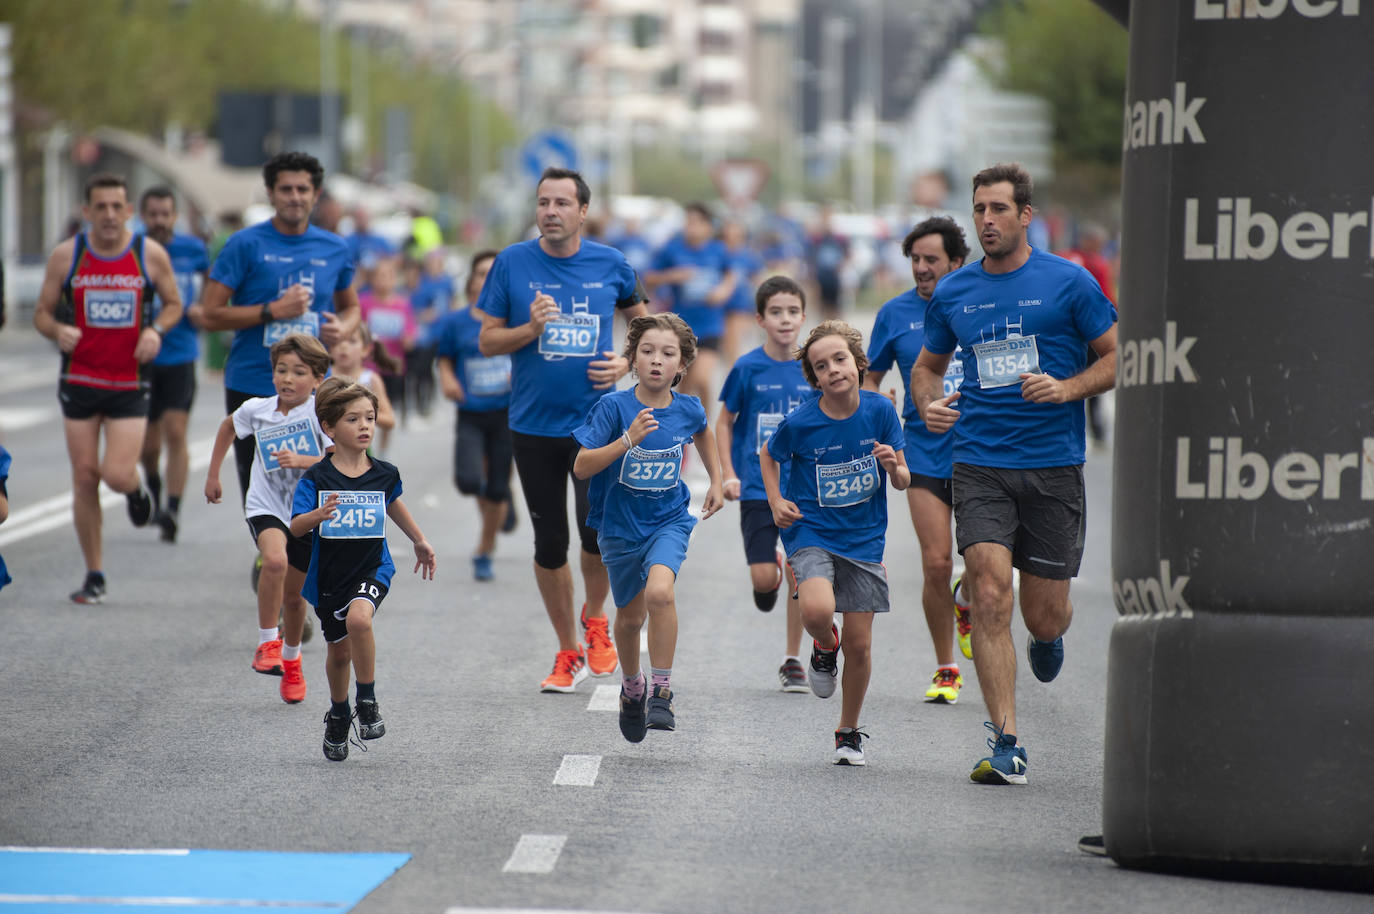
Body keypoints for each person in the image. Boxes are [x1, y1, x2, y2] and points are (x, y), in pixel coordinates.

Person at [914, 163, 1118, 785]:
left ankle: (1048, 637)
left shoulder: (1069, 282)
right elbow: (927, 367)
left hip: (1053, 466)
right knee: (988, 589)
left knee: (1044, 613)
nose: (986, 221)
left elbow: (1120, 355)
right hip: (979, 463)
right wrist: (928, 404)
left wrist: (1067, 388)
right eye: (978, 209)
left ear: (1026, 216)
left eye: (999, 209)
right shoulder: (955, 292)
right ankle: (1006, 740)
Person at [477, 167, 648, 692]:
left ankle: (595, 618)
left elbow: (647, 329)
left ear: (582, 212)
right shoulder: (511, 263)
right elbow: (486, 341)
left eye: (561, 203)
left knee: (595, 535)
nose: (550, 211)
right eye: (542, 202)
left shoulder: (611, 263)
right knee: (549, 542)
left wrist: (625, 364)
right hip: (532, 426)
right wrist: (531, 329)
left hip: (595, 424)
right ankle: (567, 650)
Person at [761, 320, 909, 766]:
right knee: (817, 611)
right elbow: (769, 455)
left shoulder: (881, 411)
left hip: (864, 540)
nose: (833, 370)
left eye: (840, 360)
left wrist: (891, 466)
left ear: (859, 364)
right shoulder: (802, 422)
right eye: (821, 366)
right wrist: (775, 501)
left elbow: (904, 480)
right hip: (811, 532)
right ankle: (825, 646)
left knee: (861, 645)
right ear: (814, 378)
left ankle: (847, 732)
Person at [33, 172, 184, 604]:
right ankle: (94, 573)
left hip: (128, 381)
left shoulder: (148, 254)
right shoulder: (68, 256)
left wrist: (155, 330)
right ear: (87, 212)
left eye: (118, 207)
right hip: (79, 378)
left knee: (115, 474)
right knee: (84, 477)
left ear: (129, 211)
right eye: (101, 207)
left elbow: (174, 304)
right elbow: (42, 313)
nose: (110, 215)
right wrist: (57, 330)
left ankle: (136, 491)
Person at [572, 313, 724, 742]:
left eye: (668, 354)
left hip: (669, 521)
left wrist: (715, 478)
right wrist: (626, 441)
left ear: (682, 366)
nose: (657, 360)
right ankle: (632, 687)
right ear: (633, 359)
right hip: (619, 527)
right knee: (629, 617)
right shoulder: (613, 408)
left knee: (661, 592)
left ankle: (660, 690)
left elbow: (703, 432)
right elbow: (582, 467)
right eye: (648, 351)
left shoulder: (688, 408)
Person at [200, 150, 359, 506]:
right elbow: (210, 314)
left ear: (316, 195)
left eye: (303, 189)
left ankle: (296, 559)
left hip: (315, 387)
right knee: (260, 482)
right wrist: (273, 311)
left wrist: (343, 328)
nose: (295, 197)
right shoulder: (244, 244)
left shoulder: (334, 247)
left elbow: (351, 308)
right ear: (271, 194)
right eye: (285, 189)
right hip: (253, 380)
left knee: (320, 476)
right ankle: (269, 553)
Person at [291, 378, 436, 761]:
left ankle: (367, 700)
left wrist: (419, 540)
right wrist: (316, 516)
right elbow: (295, 526)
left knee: (360, 620)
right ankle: (339, 713)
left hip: (373, 566)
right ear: (329, 427)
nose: (365, 426)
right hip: (329, 576)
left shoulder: (384, 473)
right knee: (338, 654)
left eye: (369, 418)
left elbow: (394, 505)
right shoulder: (317, 478)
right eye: (353, 419)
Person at [863, 216, 972, 704]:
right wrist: (876, 402)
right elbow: (869, 378)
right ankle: (945, 666)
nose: (922, 268)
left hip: (982, 451)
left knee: (985, 565)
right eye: (915, 260)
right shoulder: (894, 313)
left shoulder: (980, 302)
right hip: (923, 450)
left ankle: (966, 600)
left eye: (932, 260)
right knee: (935, 562)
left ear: (956, 262)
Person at [204, 334, 332, 704]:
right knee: (274, 560)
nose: (288, 379)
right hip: (266, 504)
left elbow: (342, 457)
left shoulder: (321, 415)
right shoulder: (257, 409)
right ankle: (267, 645)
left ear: (318, 379)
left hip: (306, 512)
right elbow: (228, 427)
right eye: (281, 370)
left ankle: (292, 663)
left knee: (294, 599)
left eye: (299, 372)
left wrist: (304, 461)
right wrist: (214, 475)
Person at [716, 275, 817, 692]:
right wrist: (728, 474)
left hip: (803, 490)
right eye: (776, 312)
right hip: (757, 488)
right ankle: (769, 570)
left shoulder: (814, 367)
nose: (785, 319)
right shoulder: (747, 368)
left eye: (793, 311)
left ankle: (792, 658)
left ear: (804, 317)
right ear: (760, 318)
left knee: (801, 574)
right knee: (763, 580)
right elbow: (723, 422)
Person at [136, 186, 210, 543]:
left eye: (166, 214)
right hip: (140, 356)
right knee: (147, 445)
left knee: (176, 432)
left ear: (175, 216)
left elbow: (212, 287)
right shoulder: (132, 249)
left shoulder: (193, 250)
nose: (160, 221)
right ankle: (152, 485)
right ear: (143, 216)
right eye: (153, 214)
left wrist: (203, 309)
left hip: (181, 354)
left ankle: (173, 510)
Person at [435, 249, 513, 582]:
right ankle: (497, 504)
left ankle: (484, 549)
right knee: (469, 480)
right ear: (471, 280)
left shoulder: (515, 317)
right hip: (471, 411)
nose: (488, 279)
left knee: (495, 487)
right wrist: (448, 379)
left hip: (507, 413)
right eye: (482, 273)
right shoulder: (456, 321)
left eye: (494, 273)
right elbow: (444, 358)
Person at [644, 203, 736, 422]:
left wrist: (722, 291)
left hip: (711, 325)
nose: (690, 227)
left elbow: (731, 275)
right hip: (680, 328)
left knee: (702, 378)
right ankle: (684, 433)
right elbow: (649, 278)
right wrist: (673, 276)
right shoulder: (672, 249)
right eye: (688, 221)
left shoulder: (718, 249)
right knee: (684, 385)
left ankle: (703, 425)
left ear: (708, 226)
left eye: (696, 222)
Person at [1056, 223, 1117, 449]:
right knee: (1093, 378)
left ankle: (1084, 430)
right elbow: (1106, 297)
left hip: (1068, 330)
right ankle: (1097, 432)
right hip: (1091, 329)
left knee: (1070, 376)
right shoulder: (1096, 264)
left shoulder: (1063, 258)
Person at [357, 256, 415, 451]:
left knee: (387, 410)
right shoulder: (364, 302)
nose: (384, 280)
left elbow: (410, 333)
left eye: (389, 275)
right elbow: (358, 330)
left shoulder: (402, 304)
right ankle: (366, 446)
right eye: (379, 276)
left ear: (395, 279)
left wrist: (408, 339)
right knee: (366, 408)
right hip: (370, 367)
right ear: (372, 279)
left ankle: (383, 449)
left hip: (393, 366)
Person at [327, 323, 398, 434]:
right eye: (338, 341)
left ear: (366, 349)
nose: (344, 346)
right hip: (327, 445)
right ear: (330, 348)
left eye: (352, 341)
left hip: (360, 446)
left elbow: (389, 421)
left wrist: (362, 414)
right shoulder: (323, 376)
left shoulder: (370, 379)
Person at [720, 219, 764, 366]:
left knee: (733, 343)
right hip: (719, 305)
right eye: (729, 234)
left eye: (736, 234)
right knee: (726, 345)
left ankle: (733, 375)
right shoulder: (719, 253)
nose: (732, 237)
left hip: (740, 305)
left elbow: (757, 279)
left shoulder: (748, 255)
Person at [807, 206, 848, 322]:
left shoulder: (838, 237)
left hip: (833, 276)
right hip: (820, 275)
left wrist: (841, 266)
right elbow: (810, 257)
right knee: (822, 306)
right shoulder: (816, 238)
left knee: (835, 306)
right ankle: (823, 329)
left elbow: (846, 254)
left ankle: (838, 329)